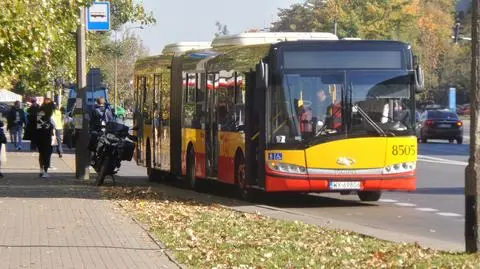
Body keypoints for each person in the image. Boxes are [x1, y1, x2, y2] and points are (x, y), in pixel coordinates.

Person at [35, 97, 54, 178]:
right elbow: (43, 124)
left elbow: (38, 124)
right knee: (47, 153)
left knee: (41, 153)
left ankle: (41, 170)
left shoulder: (40, 111)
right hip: (46, 135)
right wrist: (50, 125)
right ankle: (45, 171)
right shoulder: (48, 112)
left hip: (40, 135)